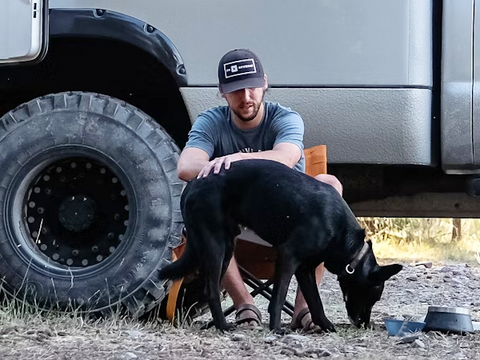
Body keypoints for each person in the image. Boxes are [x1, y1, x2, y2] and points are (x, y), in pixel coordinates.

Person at [177, 49, 343, 331]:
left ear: (265, 82)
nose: (246, 97)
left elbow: (287, 157)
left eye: (252, 87)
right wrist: (220, 163)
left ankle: (305, 311)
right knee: (202, 204)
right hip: (234, 227)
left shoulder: (285, 118)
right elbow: (186, 166)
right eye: (236, 90)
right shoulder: (212, 121)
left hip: (288, 225)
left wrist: (239, 159)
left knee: (330, 185)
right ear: (222, 93)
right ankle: (245, 307)